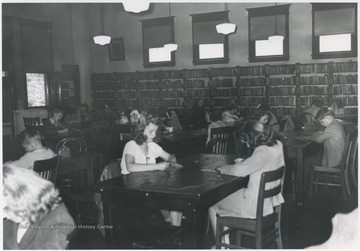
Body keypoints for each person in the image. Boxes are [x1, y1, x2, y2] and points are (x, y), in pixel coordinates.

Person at [208, 121, 285, 236]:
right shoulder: (278, 145)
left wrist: (224, 168)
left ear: (254, 138)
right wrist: (245, 162)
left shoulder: (262, 151)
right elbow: (262, 163)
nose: (248, 145)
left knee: (212, 204)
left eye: (247, 141)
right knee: (227, 202)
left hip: (255, 206)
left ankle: (222, 247)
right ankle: (224, 244)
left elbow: (237, 171)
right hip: (269, 203)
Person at [120, 114, 182, 226]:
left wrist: (172, 161)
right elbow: (130, 166)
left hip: (148, 188)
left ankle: (172, 226)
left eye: (155, 132)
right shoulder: (131, 145)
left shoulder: (152, 145)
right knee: (175, 200)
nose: (153, 135)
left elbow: (170, 157)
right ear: (141, 130)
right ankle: (172, 226)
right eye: (151, 131)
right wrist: (157, 166)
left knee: (177, 198)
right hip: (131, 190)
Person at [3, 164, 75, 249]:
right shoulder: (13, 213)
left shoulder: (58, 220)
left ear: (21, 199)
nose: (4, 215)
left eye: (6, 209)